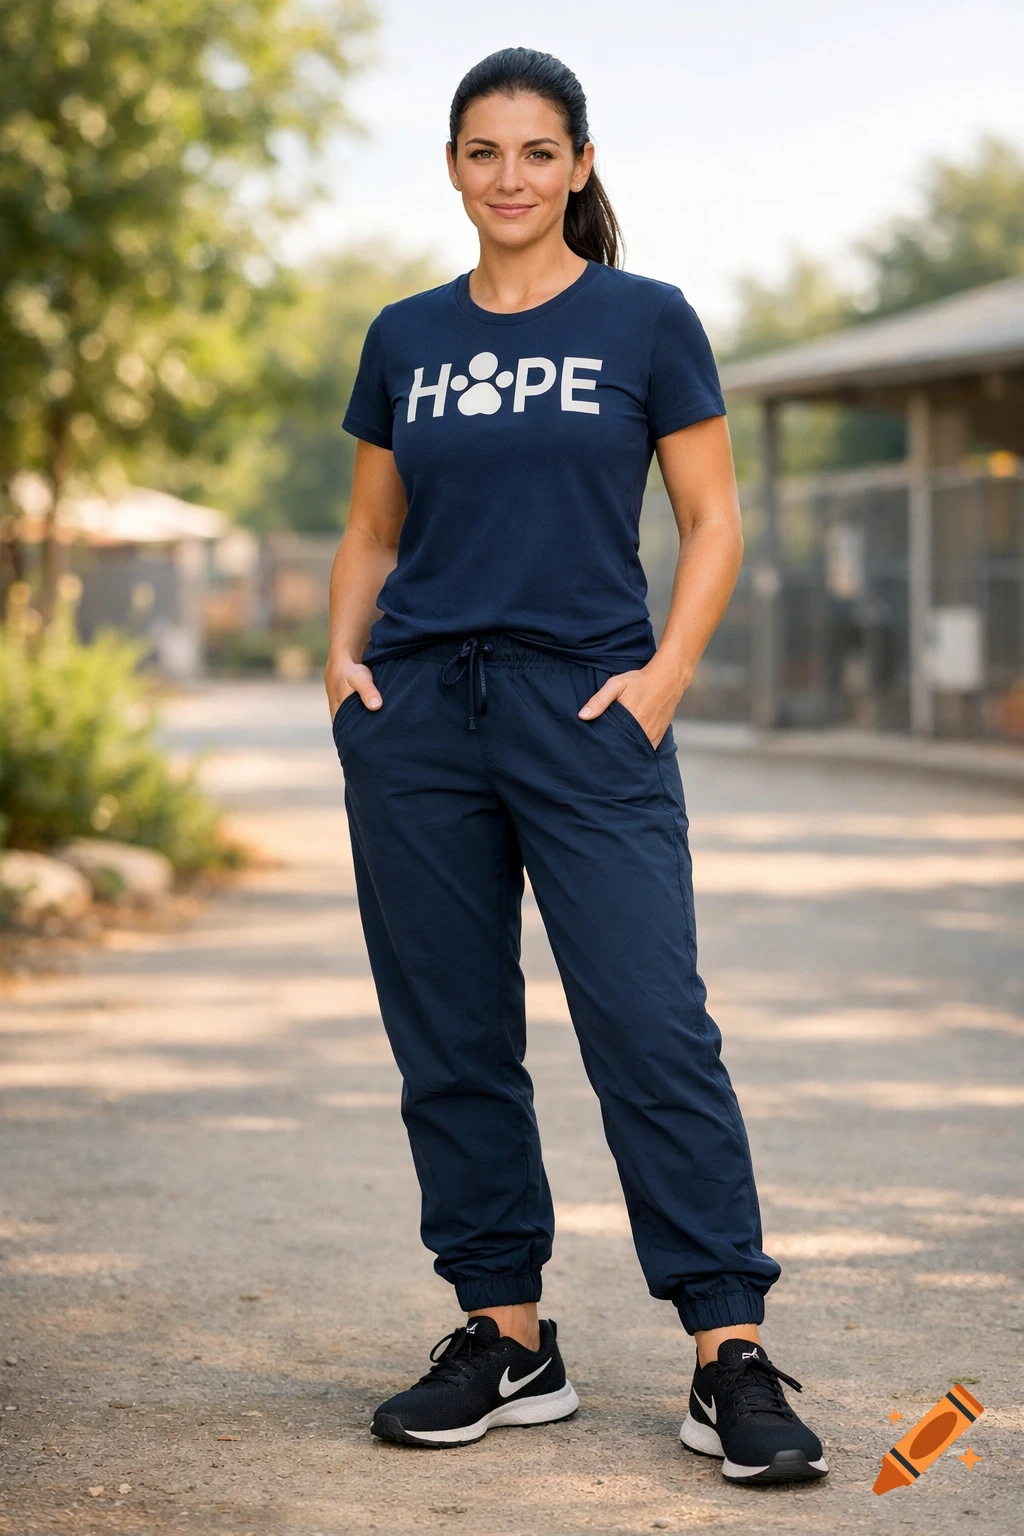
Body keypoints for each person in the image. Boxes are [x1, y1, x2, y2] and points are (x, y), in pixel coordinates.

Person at [325, 47, 827, 1484]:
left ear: (580, 167)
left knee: (652, 1023)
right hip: (418, 714)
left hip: (587, 710)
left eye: (538, 153)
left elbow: (713, 519)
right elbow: (371, 525)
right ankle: (505, 1336)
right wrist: (344, 665)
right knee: (453, 1036)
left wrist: (664, 680)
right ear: (452, 168)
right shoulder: (405, 335)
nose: (510, 178)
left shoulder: (646, 319)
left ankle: (727, 1349)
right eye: (483, 152)